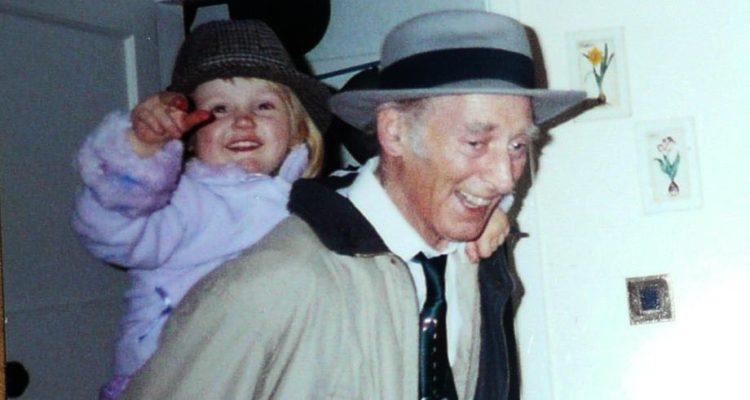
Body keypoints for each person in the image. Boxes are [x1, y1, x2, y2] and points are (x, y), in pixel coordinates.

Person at [122, 10, 585, 400]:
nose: (505, 176)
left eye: (518, 146)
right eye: (475, 142)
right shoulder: (275, 279)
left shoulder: (477, 258)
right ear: (395, 132)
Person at [72, 19, 331, 399]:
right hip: (177, 380)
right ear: (191, 137)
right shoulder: (181, 198)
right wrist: (140, 152)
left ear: (296, 129)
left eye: (263, 105)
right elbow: (111, 231)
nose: (243, 120)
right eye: (219, 109)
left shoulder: (314, 205)